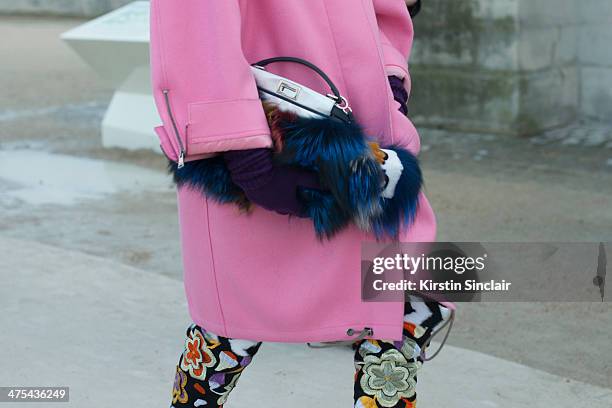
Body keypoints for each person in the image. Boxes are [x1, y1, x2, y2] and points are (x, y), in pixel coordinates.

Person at [149, 0, 454, 406]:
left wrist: (390, 79)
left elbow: (384, 9)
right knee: (230, 325)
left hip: (364, 135)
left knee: (401, 310)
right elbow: (191, 28)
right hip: (260, 135)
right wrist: (245, 154)